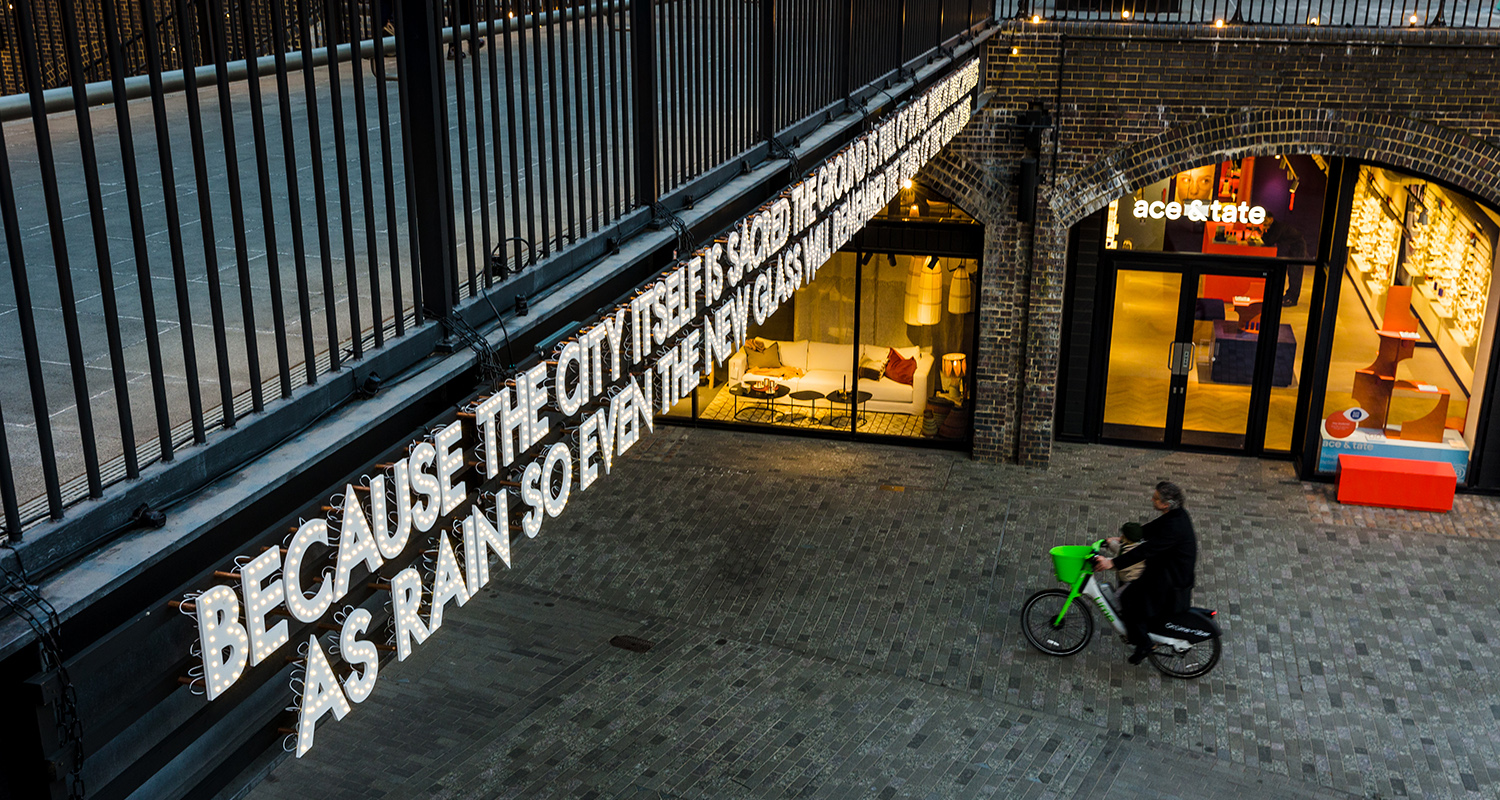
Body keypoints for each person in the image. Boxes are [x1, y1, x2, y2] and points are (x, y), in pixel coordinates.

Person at [1093, 481, 1197, 665]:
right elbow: (1150, 529)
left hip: (1171, 579)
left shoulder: (1174, 527)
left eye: (1155, 498)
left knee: (1128, 598)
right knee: (1132, 591)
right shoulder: (1176, 514)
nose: (1152, 499)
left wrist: (1112, 563)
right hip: (1166, 569)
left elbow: (1145, 550)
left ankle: (1145, 644)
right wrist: (1123, 539)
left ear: (1166, 504)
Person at [1257, 212, 1308, 305]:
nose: (1264, 222)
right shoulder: (1272, 227)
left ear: (1271, 219)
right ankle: (1289, 295)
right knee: (1291, 272)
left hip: (1298, 246)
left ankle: (1292, 299)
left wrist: (1263, 231)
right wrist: (1264, 231)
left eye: (1266, 220)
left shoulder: (1277, 227)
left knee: (1295, 272)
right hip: (1291, 246)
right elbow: (1269, 241)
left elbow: (1270, 241)